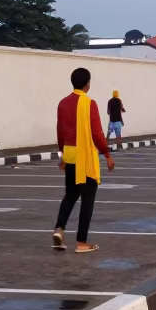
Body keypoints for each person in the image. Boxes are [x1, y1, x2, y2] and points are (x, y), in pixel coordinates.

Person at [53, 68, 115, 253]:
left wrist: (62, 155)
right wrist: (107, 154)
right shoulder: (89, 103)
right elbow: (96, 133)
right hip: (86, 157)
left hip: (70, 154)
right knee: (87, 199)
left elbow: (60, 132)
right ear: (87, 83)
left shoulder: (63, 103)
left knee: (70, 195)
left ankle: (59, 229)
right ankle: (81, 242)